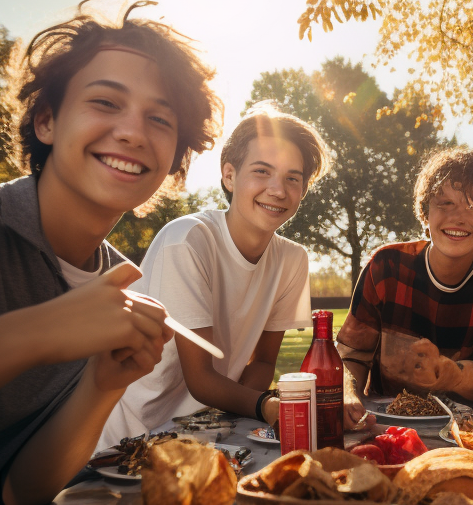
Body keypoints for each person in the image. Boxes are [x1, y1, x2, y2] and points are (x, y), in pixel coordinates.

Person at [0, 0, 222, 505]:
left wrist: (102, 383)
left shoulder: (111, 284)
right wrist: (37, 333)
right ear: (46, 119)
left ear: (174, 163)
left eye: (159, 118)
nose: (132, 132)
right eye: (105, 102)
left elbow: (21, 491)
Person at [100, 104, 331, 446]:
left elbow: (264, 361)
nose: (278, 190)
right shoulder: (187, 240)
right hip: (131, 437)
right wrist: (266, 406)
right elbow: (200, 378)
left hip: (208, 435)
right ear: (229, 175)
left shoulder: (293, 259)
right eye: (262, 171)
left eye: (292, 178)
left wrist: (229, 417)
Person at [338, 146, 473, 431]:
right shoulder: (387, 265)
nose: (458, 218)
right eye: (444, 204)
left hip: (469, 430)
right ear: (425, 214)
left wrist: (452, 376)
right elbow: (351, 355)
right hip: (384, 425)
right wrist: (348, 394)